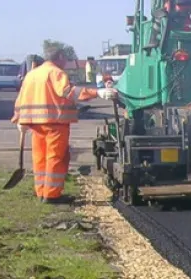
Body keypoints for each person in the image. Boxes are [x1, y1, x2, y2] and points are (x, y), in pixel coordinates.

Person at [12, 48, 117, 203]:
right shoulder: (56, 73)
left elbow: (21, 98)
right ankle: (52, 195)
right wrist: (97, 93)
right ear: (60, 57)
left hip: (36, 125)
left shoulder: (32, 74)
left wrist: (18, 119)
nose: (66, 63)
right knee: (56, 158)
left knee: (40, 158)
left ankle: (41, 191)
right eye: (66, 60)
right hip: (55, 123)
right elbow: (69, 92)